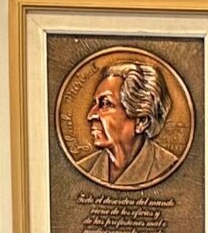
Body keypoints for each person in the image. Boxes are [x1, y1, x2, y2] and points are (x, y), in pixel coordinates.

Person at [72, 57, 185, 189]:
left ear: (141, 121)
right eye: (95, 104)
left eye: (105, 104)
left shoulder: (170, 168)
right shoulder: (84, 168)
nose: (90, 115)